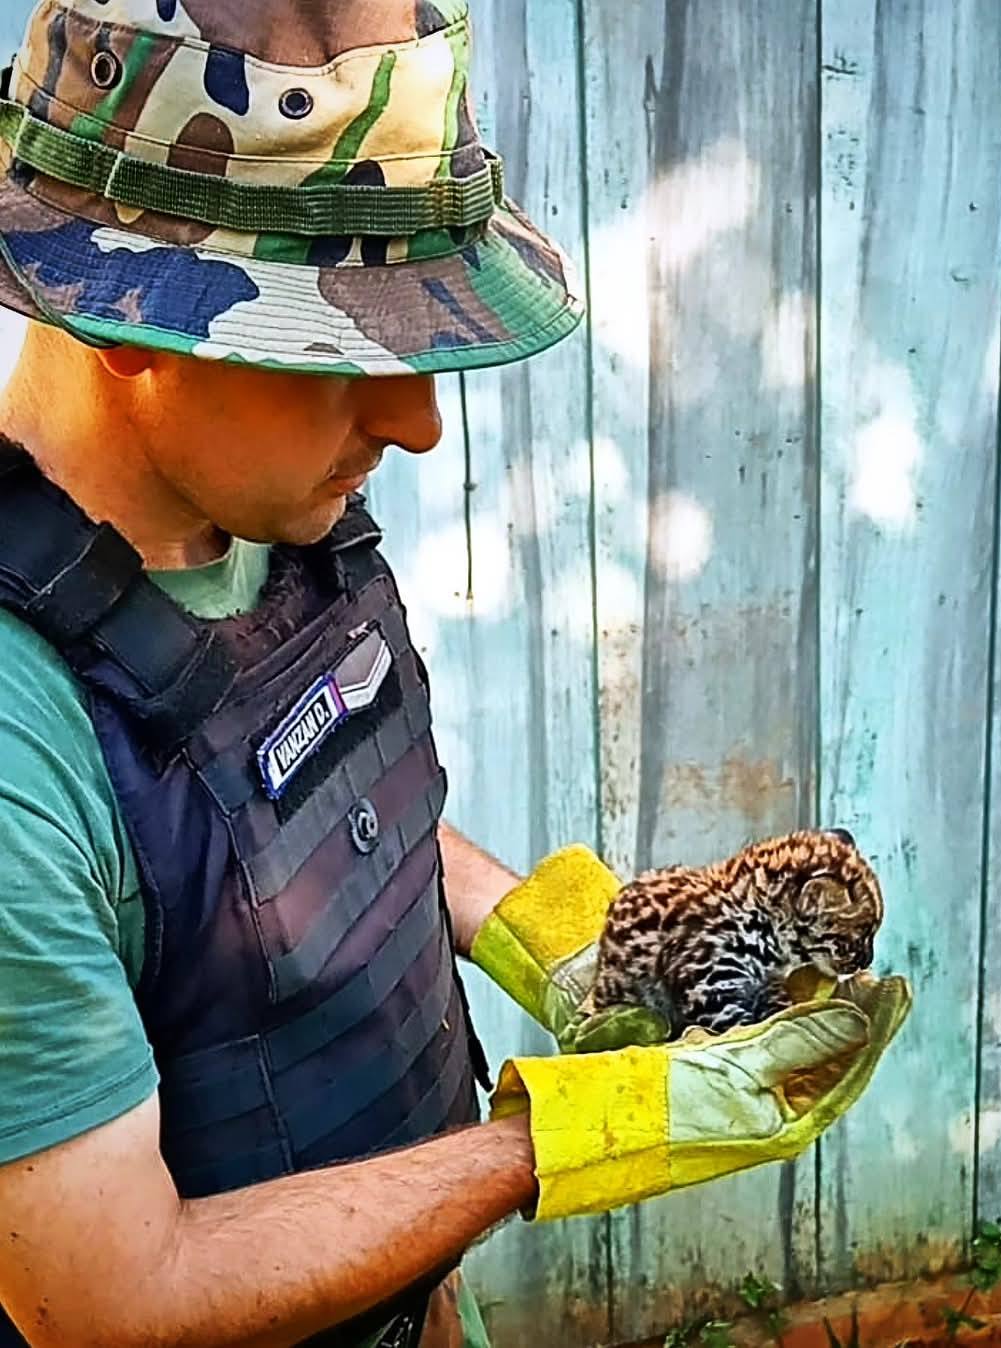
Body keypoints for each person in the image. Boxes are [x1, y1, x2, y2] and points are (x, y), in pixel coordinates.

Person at [0, 3, 910, 1346]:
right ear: (135, 312)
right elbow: (113, 1297)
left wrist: (560, 944)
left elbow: (303, 816)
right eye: (345, 351)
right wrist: (548, 1145)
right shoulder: (23, 759)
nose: (417, 423)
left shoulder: (271, 510)